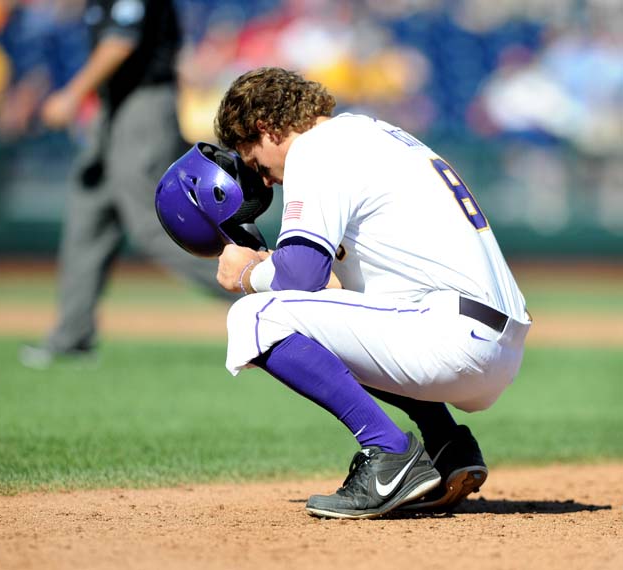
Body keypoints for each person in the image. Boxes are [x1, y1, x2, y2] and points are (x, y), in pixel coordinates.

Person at [204, 67, 532, 519]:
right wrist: (271, 267)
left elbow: (299, 277)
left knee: (254, 317)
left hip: (451, 338)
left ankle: (388, 454)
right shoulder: (372, 136)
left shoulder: (315, 150)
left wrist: (247, 276)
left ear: (265, 128)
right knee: (330, 317)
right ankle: (446, 445)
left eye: (257, 162)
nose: (267, 180)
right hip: (492, 341)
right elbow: (330, 288)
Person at [20, 0, 228, 369]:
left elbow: (121, 42)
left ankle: (256, 290)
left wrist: (71, 95)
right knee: (90, 214)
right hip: (115, 106)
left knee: (155, 226)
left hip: (143, 105)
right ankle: (73, 336)